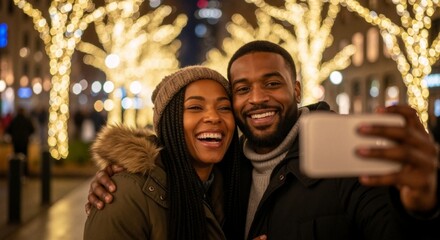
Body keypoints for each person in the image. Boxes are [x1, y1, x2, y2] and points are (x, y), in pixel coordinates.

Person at [86, 41, 439, 239]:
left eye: (272, 83)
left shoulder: (344, 159)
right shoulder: (225, 171)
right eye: (241, 90)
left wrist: (423, 206)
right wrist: (126, 176)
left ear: (296, 90)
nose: (256, 98)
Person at [83, 66, 241, 240]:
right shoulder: (124, 194)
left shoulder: (235, 186)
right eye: (195, 107)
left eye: (225, 108)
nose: (214, 117)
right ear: (168, 121)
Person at [6, 107, 35, 176]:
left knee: (16, 158)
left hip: (16, 142)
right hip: (24, 142)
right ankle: (25, 173)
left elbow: (8, 130)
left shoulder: (14, 120)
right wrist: (27, 135)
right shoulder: (27, 120)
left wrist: (14, 135)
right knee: (25, 158)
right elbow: (32, 129)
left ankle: (16, 174)